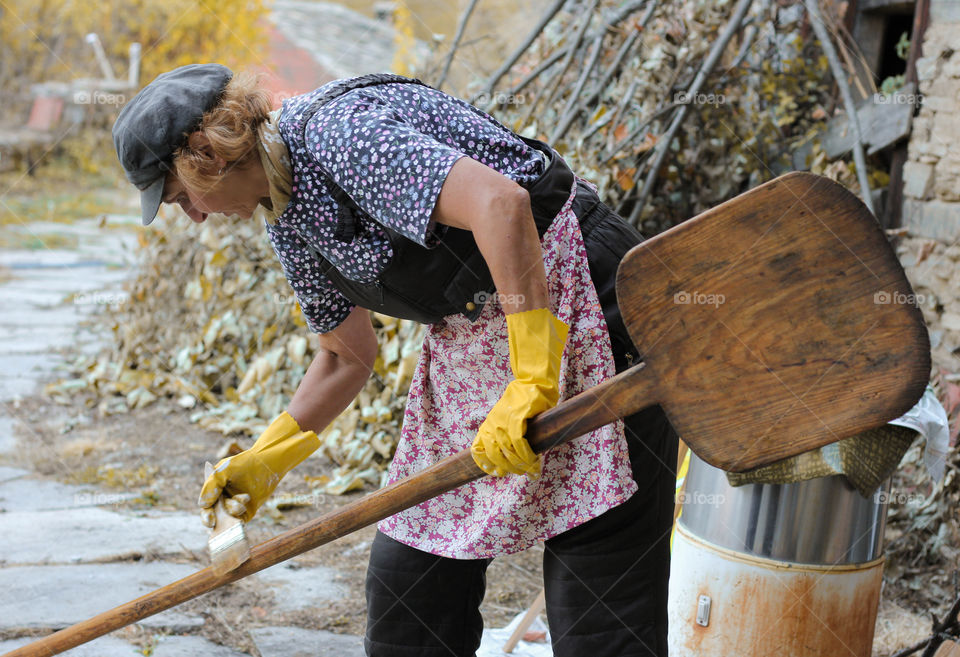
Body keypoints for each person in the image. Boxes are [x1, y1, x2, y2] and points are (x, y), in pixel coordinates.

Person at [112, 63, 679, 657]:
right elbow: (345, 355)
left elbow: (500, 205)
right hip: (475, 347)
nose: (194, 216)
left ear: (208, 156)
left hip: (582, 295)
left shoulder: (338, 134)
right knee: (410, 583)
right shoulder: (284, 217)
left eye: (181, 197)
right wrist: (266, 458)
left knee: (599, 596)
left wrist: (533, 374)